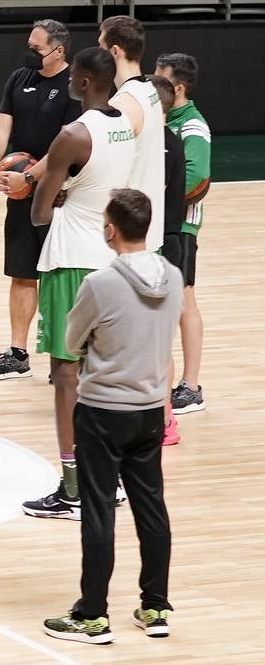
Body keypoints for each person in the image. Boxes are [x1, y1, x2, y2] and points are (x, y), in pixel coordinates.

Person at [43, 189, 182, 645]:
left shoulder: (99, 284)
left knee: (99, 511)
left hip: (103, 410)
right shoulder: (174, 276)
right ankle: (155, 606)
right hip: (149, 410)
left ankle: (93, 615)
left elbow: (71, 337)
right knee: (152, 508)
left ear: (111, 229)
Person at [19, 47, 136, 521]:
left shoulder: (72, 134)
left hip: (71, 259)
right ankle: (112, 478)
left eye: (75, 77)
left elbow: (40, 211)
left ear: (85, 81)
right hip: (112, 256)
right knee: (102, 373)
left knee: (66, 375)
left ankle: (73, 488)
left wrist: (50, 190)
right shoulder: (124, 127)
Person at [0, 19, 81, 381]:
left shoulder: (75, 88)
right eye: (29, 45)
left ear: (59, 51)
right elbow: (0, 127)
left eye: (37, 49)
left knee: (58, 276)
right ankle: (18, 353)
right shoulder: (18, 79)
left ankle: (64, 355)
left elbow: (65, 148)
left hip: (59, 196)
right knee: (22, 274)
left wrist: (30, 176)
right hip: (21, 193)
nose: (30, 53)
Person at [154, 53, 210, 416]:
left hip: (181, 226)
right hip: (159, 223)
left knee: (184, 301)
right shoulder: (163, 119)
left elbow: (197, 179)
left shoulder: (192, 127)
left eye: (160, 81)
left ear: (178, 87)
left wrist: (159, 199)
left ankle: (190, 386)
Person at [99, 16, 165, 254]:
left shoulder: (122, 103)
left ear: (114, 51)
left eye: (101, 47)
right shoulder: (151, 92)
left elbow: (106, 167)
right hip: (148, 231)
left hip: (126, 238)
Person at [148, 75, 186, 447]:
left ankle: (165, 419)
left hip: (164, 245)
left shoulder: (161, 145)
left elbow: (148, 194)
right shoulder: (159, 140)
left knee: (159, 342)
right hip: (160, 244)